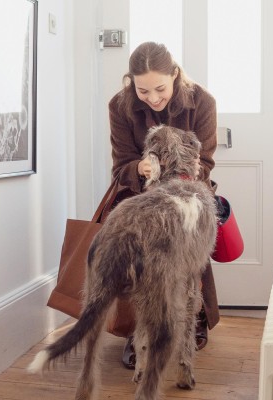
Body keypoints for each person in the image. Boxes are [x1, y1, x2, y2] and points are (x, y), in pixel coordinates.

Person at [108, 41, 221, 369]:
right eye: (143, 91)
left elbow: (207, 162)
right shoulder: (120, 106)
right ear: (131, 82)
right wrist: (139, 169)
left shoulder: (202, 101)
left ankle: (193, 315)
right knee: (137, 250)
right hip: (139, 191)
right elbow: (121, 166)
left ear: (174, 75)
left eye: (159, 88)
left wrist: (176, 185)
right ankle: (136, 327)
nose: (153, 98)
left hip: (188, 189)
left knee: (187, 239)